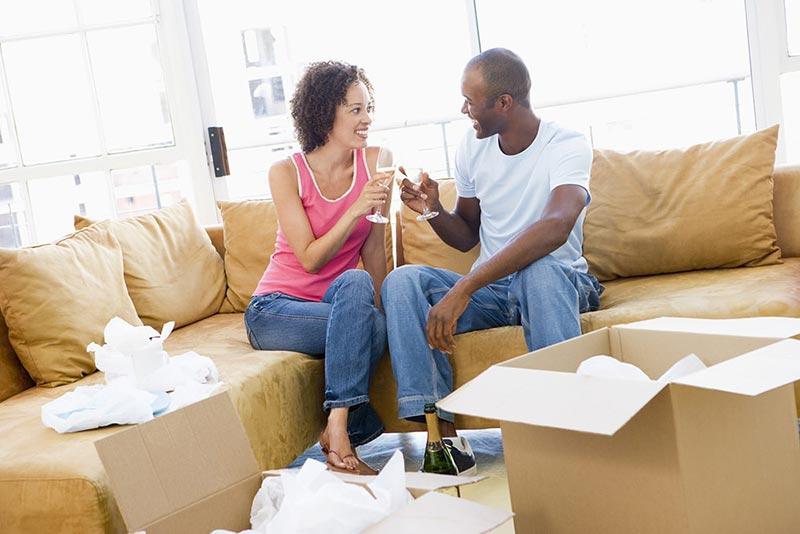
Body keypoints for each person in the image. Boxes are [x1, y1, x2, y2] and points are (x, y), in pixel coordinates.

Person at [381, 48, 604, 474]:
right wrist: (433, 210)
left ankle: (568, 432)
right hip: (496, 292)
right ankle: (443, 439)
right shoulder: (473, 145)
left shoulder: (566, 145)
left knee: (539, 270)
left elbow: (556, 226)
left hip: (557, 281)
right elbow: (467, 233)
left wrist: (465, 287)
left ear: (503, 102)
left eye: (470, 101)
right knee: (403, 282)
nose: (463, 110)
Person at [245, 60, 391, 476]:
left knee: (366, 302)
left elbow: (375, 249)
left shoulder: (377, 162)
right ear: (326, 114)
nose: (367, 119)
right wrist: (355, 208)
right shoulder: (285, 172)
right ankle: (345, 435)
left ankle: (336, 427)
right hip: (276, 309)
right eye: (356, 110)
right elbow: (310, 258)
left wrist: (387, 314)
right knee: (363, 325)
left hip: (336, 303)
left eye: (368, 108)